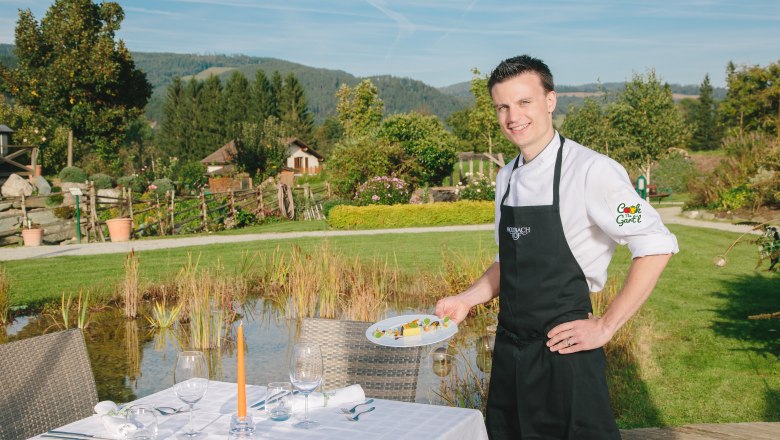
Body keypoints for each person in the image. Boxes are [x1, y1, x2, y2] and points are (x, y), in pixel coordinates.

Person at [435, 55, 678, 439]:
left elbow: (656, 244)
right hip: (511, 352)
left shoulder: (592, 170)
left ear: (550, 101)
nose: (513, 116)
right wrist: (467, 298)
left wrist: (606, 325)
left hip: (566, 355)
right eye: (503, 106)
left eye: (524, 102)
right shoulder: (506, 176)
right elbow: (509, 261)